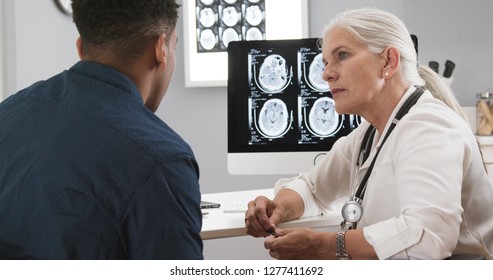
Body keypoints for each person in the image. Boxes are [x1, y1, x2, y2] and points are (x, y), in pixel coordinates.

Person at [245, 8, 493, 260]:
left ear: (388, 61)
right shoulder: (369, 134)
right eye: (325, 63)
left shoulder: (429, 126)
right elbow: (312, 187)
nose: (326, 74)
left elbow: (427, 238)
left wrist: (321, 245)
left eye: (342, 55)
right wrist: (278, 208)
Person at [0, 0, 203, 259]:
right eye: (174, 45)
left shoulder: (7, 114)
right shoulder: (161, 160)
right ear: (160, 49)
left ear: (81, 47)